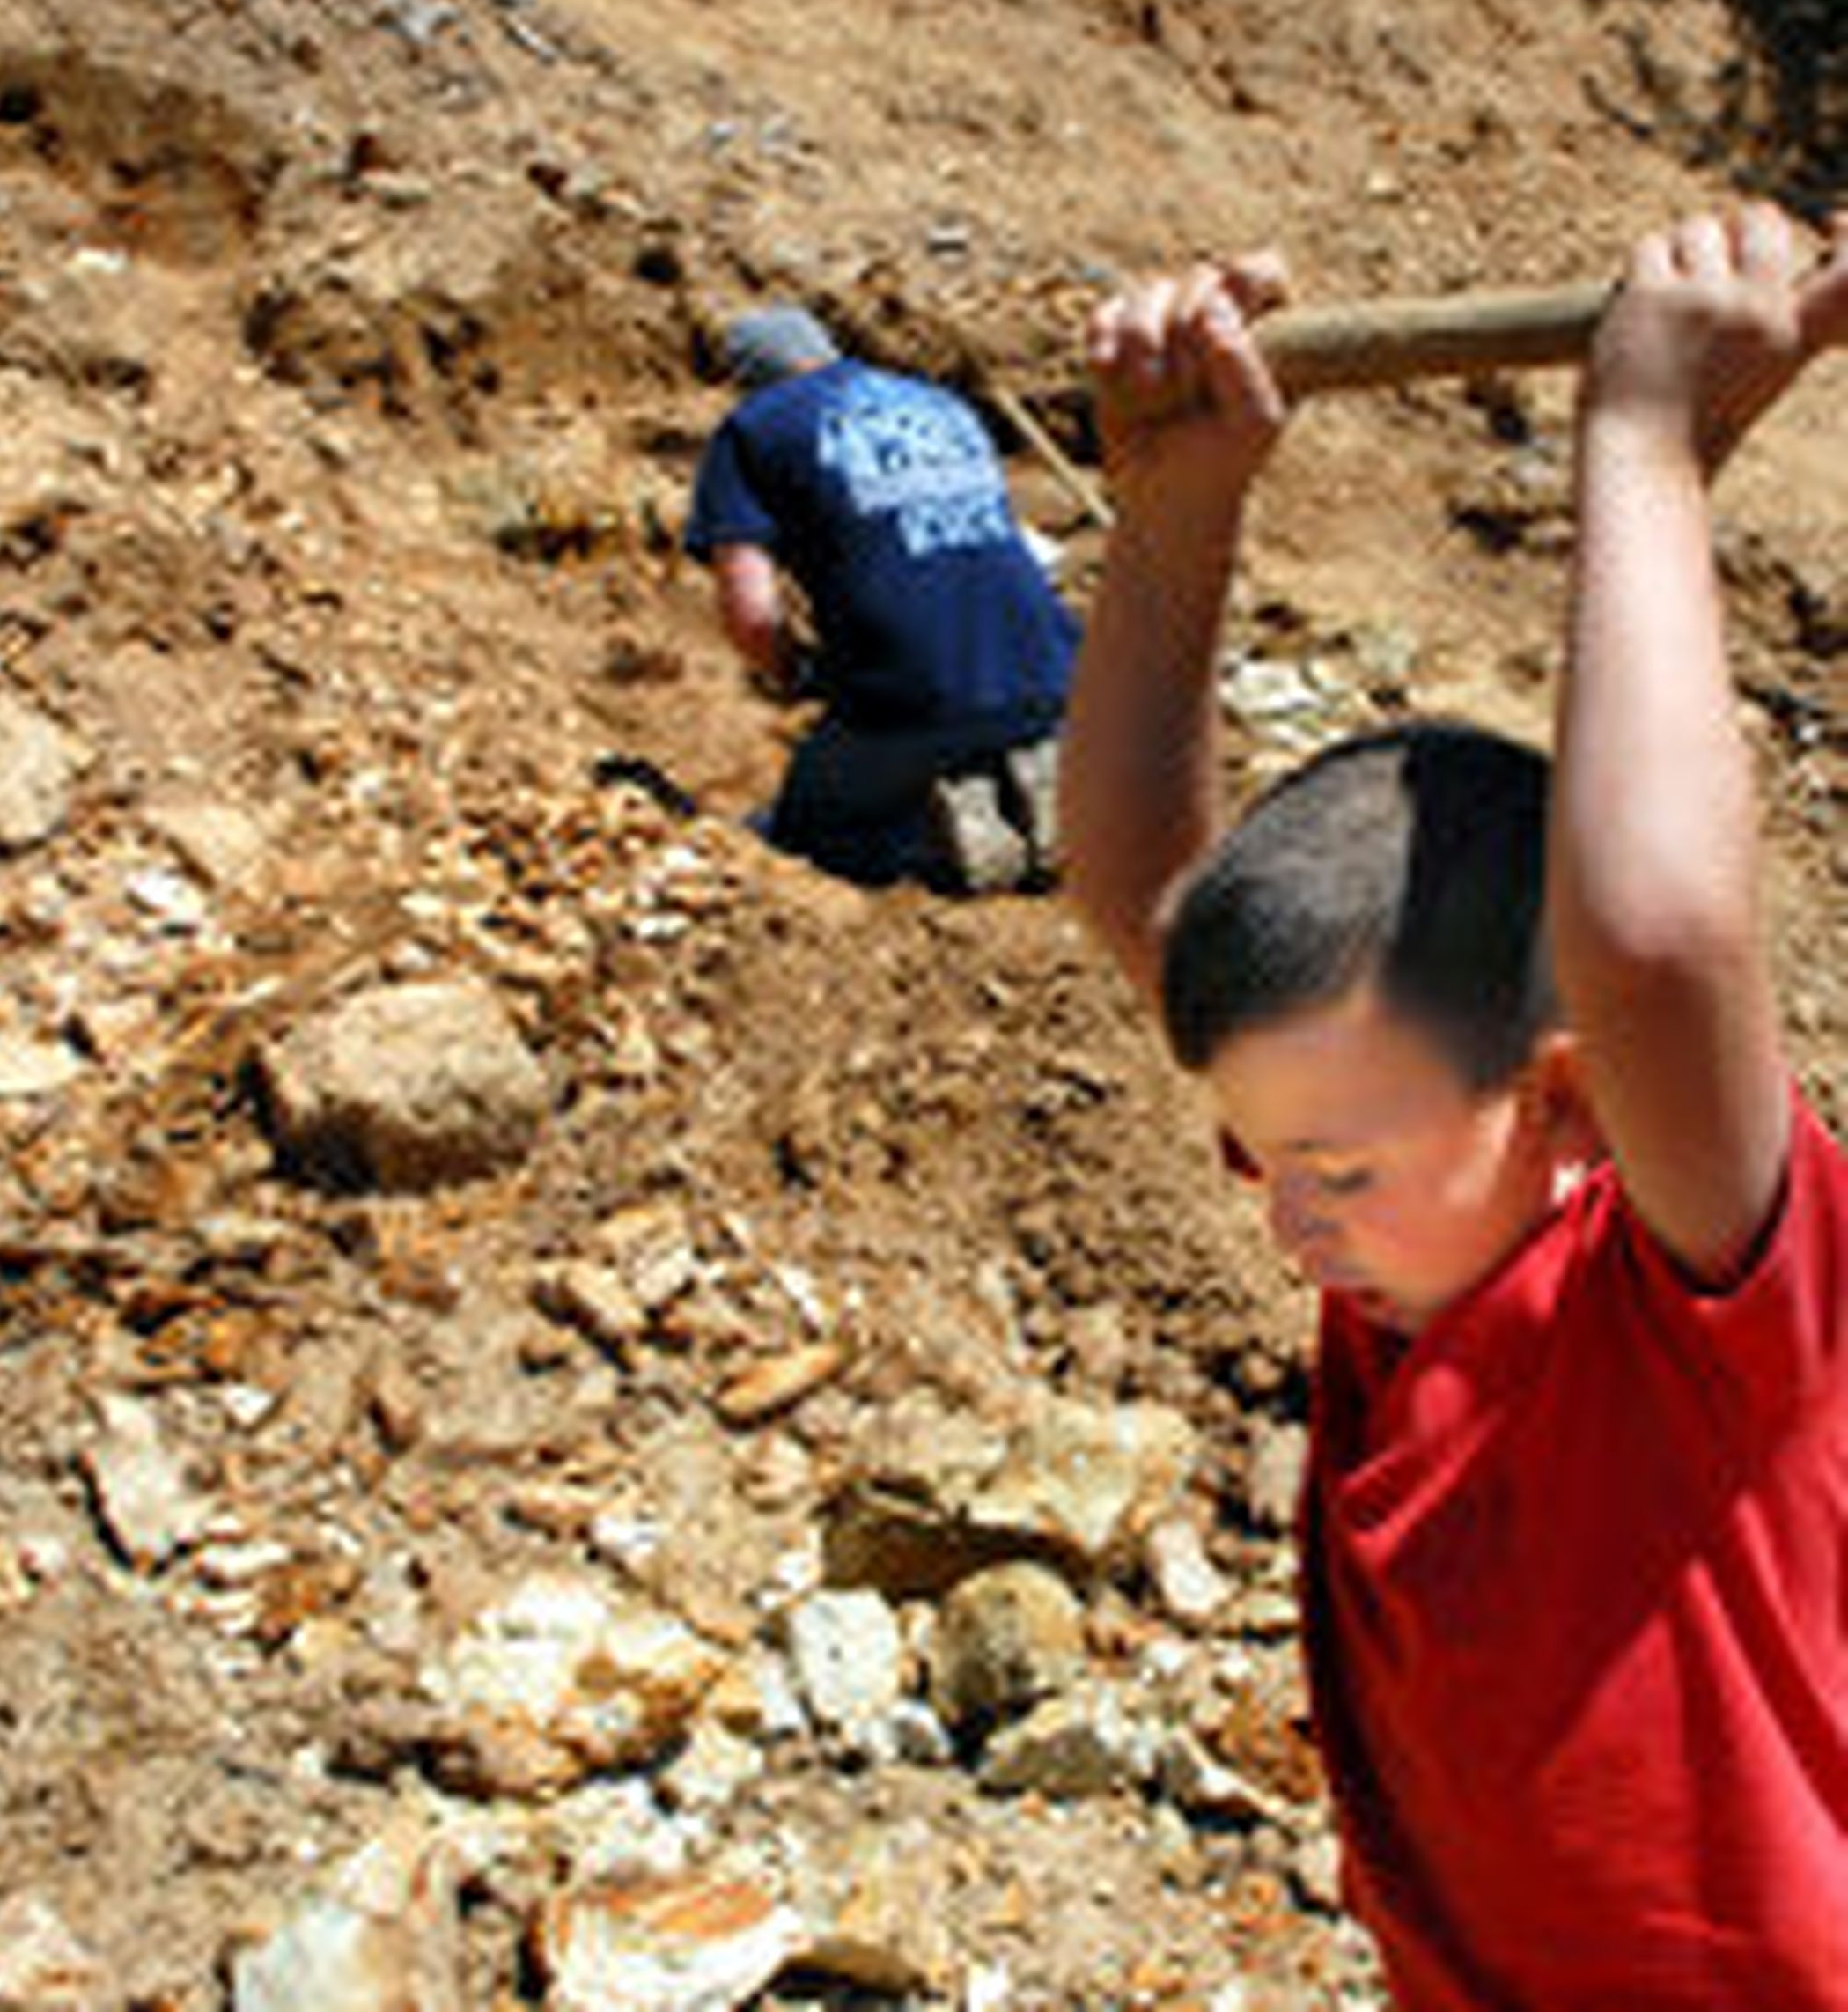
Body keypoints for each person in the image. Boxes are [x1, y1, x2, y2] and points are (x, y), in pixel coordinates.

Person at [1059, 204, 1848, 2007]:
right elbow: (1140, 897)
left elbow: (1648, 934)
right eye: (1263, 1149)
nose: (1279, 1216)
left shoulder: (1705, 1309)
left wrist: (1640, 446)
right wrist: (1175, 506)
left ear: (1559, 1097)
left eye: (1321, 1162)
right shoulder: (1407, 1223)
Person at [684, 304, 1079, 891]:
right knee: (972, 725)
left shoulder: (754, 427)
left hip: (911, 692)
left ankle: (925, 840)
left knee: (799, 835)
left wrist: (795, 671)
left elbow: (751, 612)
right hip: (1061, 675)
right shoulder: (942, 405)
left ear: (745, 378)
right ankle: (1018, 779)